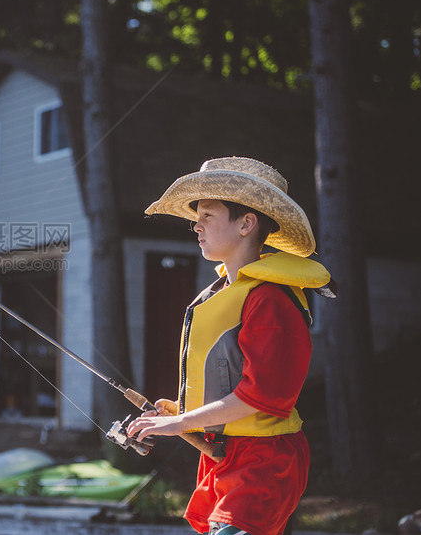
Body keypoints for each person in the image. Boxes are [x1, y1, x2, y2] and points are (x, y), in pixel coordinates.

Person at [128, 157, 334, 535]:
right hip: (225, 458)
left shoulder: (269, 300)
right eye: (196, 216)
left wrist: (179, 423)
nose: (196, 225)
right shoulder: (220, 293)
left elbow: (261, 398)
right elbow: (228, 380)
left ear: (246, 223)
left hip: (265, 462)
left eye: (207, 214)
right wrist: (176, 412)